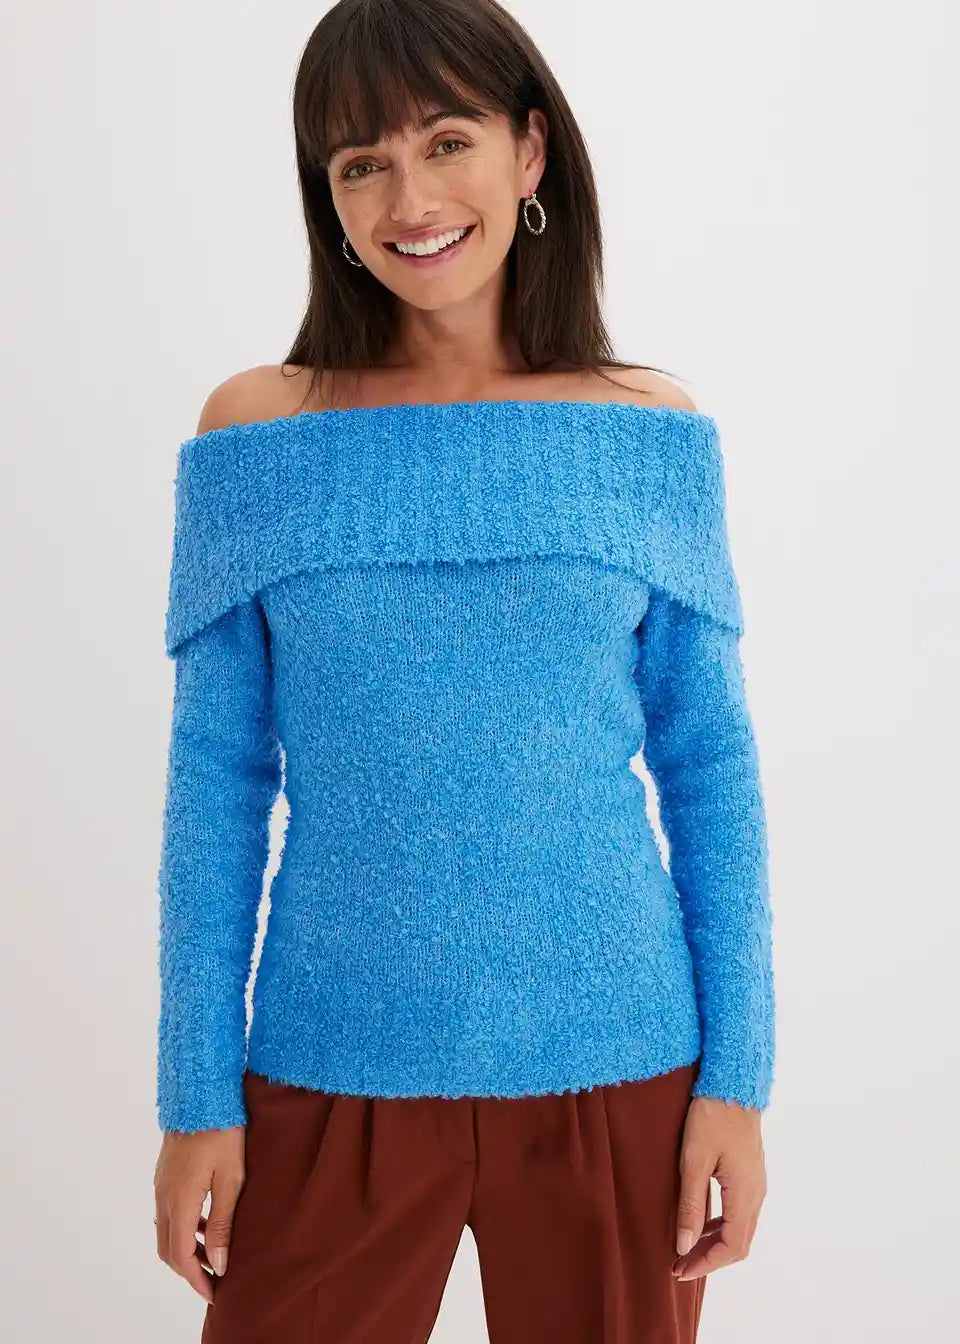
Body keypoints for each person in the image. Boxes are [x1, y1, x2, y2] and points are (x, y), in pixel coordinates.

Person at [152, 1, 775, 1340]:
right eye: (361, 163)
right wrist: (194, 1097)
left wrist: (739, 1081)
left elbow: (710, 770)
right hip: (330, 1063)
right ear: (326, 195)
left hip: (621, 1067)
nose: (411, 200)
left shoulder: (648, 433)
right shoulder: (255, 433)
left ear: (530, 151)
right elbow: (215, 786)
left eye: (446, 142)